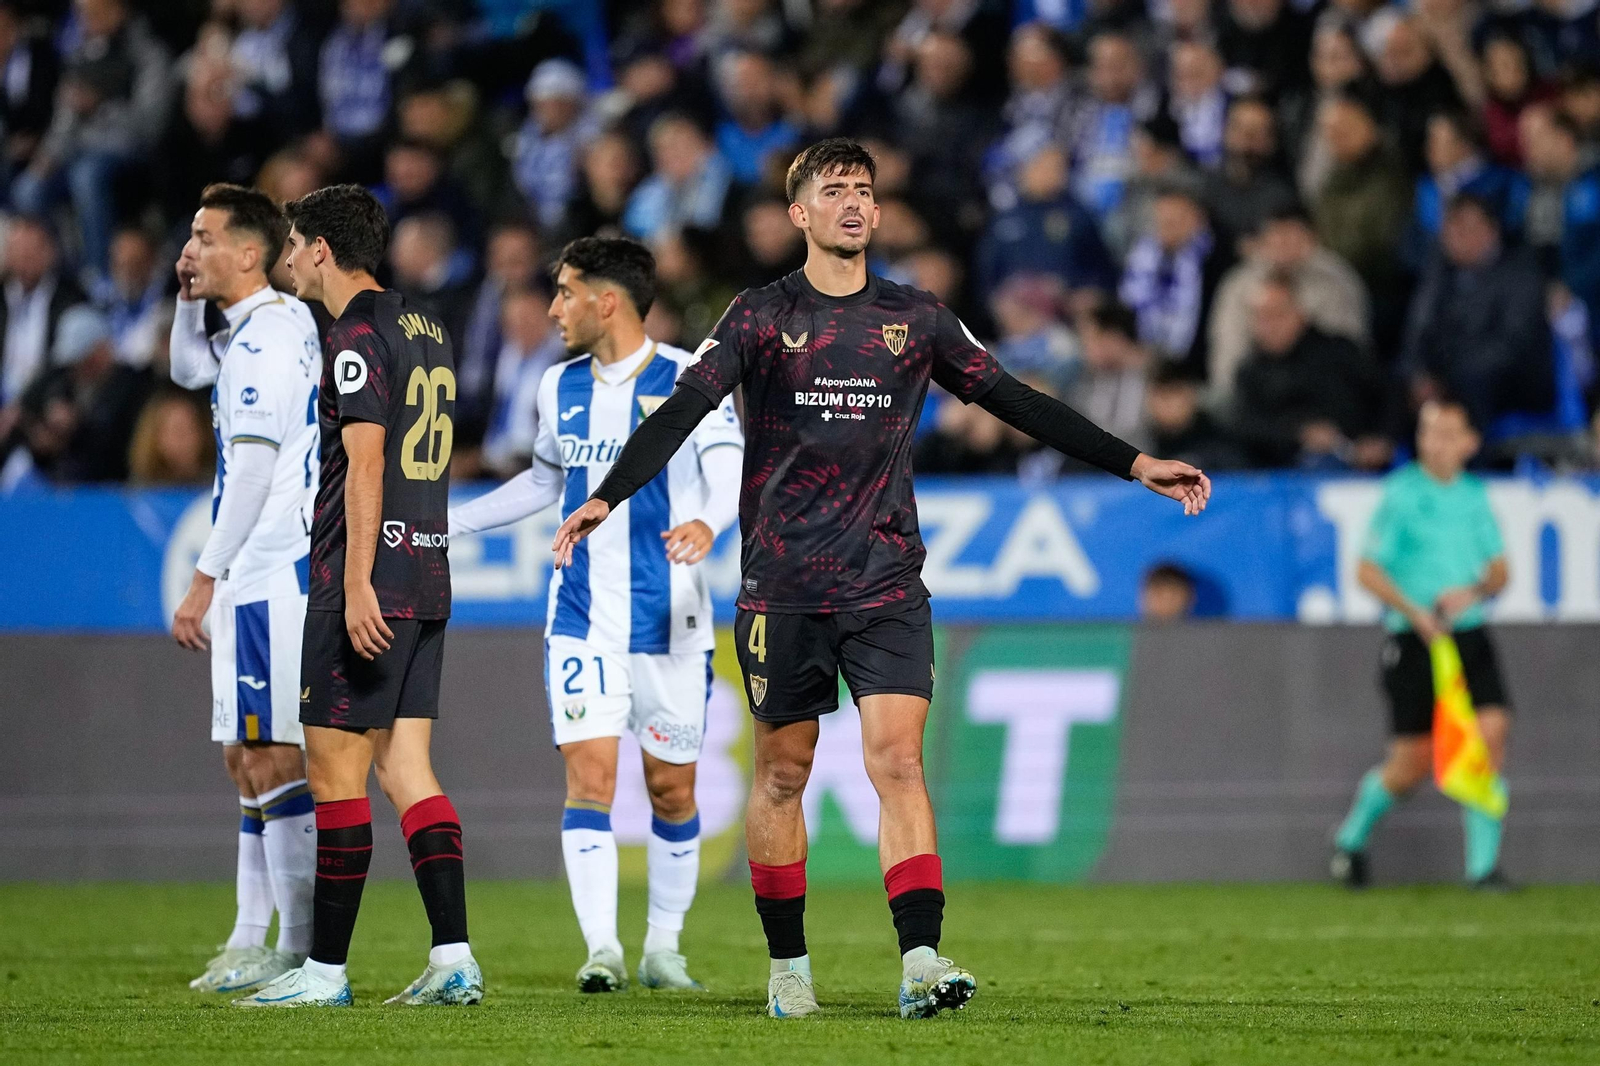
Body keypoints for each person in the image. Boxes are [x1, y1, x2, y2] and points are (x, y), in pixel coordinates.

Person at [552, 139, 1211, 1020]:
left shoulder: (917, 317)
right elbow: (680, 409)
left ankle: (923, 961)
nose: (855, 202)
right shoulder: (758, 315)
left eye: (865, 188)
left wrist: (1134, 464)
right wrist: (606, 496)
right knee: (783, 775)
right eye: (835, 190)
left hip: (886, 580)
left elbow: (1014, 399)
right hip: (782, 586)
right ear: (800, 215)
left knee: (898, 763)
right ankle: (788, 969)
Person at [450, 237, 743, 993]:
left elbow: (729, 468)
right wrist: (453, 522)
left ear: (605, 301)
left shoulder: (689, 377)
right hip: (581, 612)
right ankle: (602, 949)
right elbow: (546, 480)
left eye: (564, 292)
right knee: (590, 779)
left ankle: (664, 948)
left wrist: (710, 523)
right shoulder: (556, 386)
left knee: (672, 788)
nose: (553, 309)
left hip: (671, 619)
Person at [235, 184, 481, 1009]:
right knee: (406, 765)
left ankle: (325, 972)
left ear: (319, 251)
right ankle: (453, 958)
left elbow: (367, 462)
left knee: (334, 771)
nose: (287, 260)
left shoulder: (354, 333)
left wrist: (353, 582)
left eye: (294, 244)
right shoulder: (425, 322)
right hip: (430, 571)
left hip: (369, 578)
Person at [164, 183, 322, 994]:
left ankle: (294, 949)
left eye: (203, 237)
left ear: (251, 252)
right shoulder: (276, 323)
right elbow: (188, 366)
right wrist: (188, 296)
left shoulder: (263, 343)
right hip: (257, 573)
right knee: (245, 755)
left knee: (274, 754)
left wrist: (203, 579)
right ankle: (248, 935)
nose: (189, 249)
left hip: (267, 570)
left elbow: (255, 469)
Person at [1331, 399, 1513, 890]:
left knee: (1489, 739)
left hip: (1468, 634)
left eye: (1449, 432)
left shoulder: (1475, 496)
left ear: (1470, 443)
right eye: (1429, 431)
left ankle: (1483, 869)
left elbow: (1500, 572)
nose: (1437, 442)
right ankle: (1349, 841)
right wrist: (1415, 613)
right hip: (1414, 640)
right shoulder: (1402, 493)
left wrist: (1472, 591)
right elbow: (1367, 570)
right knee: (1411, 765)